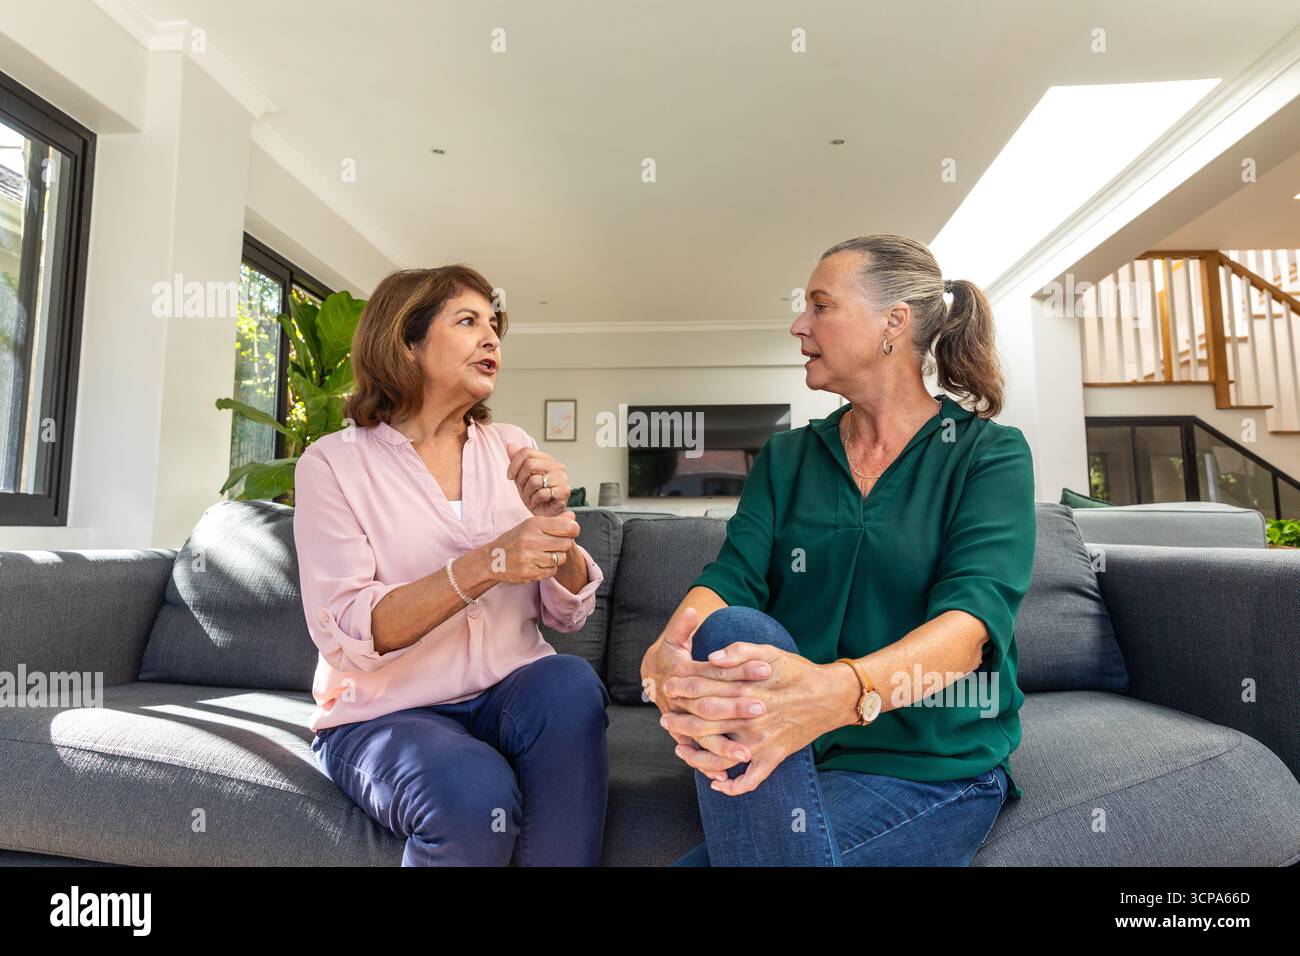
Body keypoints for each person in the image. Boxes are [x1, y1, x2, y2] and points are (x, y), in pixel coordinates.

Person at [641, 234, 1037, 866]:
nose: (799, 326)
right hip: (791, 756)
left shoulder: (987, 454)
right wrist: (672, 646)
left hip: (928, 769)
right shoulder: (788, 456)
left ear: (892, 323)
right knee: (729, 626)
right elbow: (735, 574)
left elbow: (969, 627)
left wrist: (834, 694)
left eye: (820, 306)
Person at [294, 265, 609, 866]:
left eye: (494, 325)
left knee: (570, 684)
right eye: (468, 322)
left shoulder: (511, 446)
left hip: (509, 692)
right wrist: (490, 562)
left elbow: (567, 612)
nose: (491, 339)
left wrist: (557, 528)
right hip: (389, 712)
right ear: (405, 343)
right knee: (472, 794)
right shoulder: (332, 464)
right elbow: (353, 632)